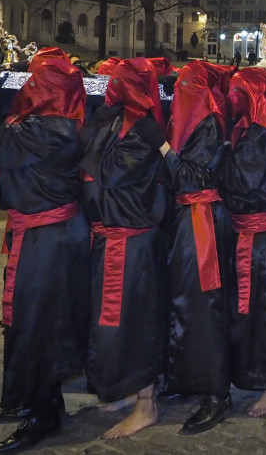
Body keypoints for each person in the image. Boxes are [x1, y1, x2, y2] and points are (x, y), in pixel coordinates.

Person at [0, 54, 91, 455]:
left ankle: (41, 412)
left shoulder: (47, 129)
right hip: (49, 234)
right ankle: (43, 399)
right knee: (43, 321)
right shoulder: (56, 124)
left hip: (47, 239)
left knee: (36, 324)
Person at [78, 58, 168, 439]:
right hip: (108, 234)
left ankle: (146, 402)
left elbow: (109, 171)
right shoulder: (112, 120)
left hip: (131, 240)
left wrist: (91, 130)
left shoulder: (141, 131)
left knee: (136, 321)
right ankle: (124, 388)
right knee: (110, 321)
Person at [162, 60, 235, 434]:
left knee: (205, 306)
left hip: (202, 220)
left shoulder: (208, 123)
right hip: (187, 220)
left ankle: (216, 392)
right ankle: (187, 377)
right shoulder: (191, 119)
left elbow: (189, 178)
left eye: (188, 85)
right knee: (184, 302)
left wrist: (159, 146)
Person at [218, 67, 266, 418]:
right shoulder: (244, 133)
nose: (232, 99)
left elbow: (246, 183)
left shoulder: (265, 138)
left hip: (264, 240)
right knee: (243, 309)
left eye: (238, 93)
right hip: (243, 233)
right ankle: (248, 373)